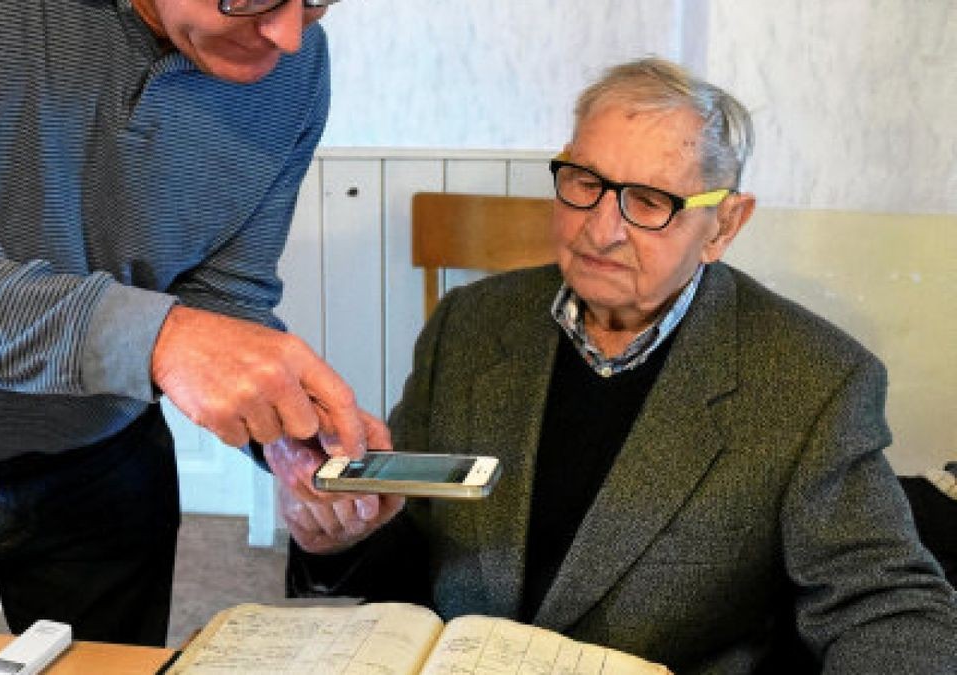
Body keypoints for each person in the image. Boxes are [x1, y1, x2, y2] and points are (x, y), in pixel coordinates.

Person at [269, 57, 957, 673]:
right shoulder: (471, 324)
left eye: (651, 202)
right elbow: (410, 541)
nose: (601, 228)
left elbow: (886, 603)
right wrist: (339, 538)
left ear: (723, 225)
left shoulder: (814, 380)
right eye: (586, 182)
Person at [0, 0, 379, 671]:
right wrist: (160, 340)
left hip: (103, 457)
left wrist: (290, 436)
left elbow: (219, 294)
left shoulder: (296, 74)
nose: (289, 35)